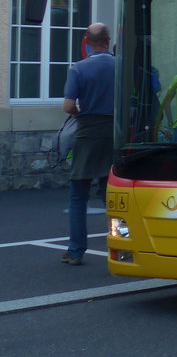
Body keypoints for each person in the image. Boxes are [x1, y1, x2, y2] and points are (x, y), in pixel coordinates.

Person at [61, 23, 116, 266]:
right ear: (108, 40)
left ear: (86, 41)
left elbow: (68, 106)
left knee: (78, 196)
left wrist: (77, 113)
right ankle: (120, 243)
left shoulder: (78, 68)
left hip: (88, 133)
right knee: (111, 196)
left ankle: (75, 251)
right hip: (114, 133)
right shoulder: (120, 66)